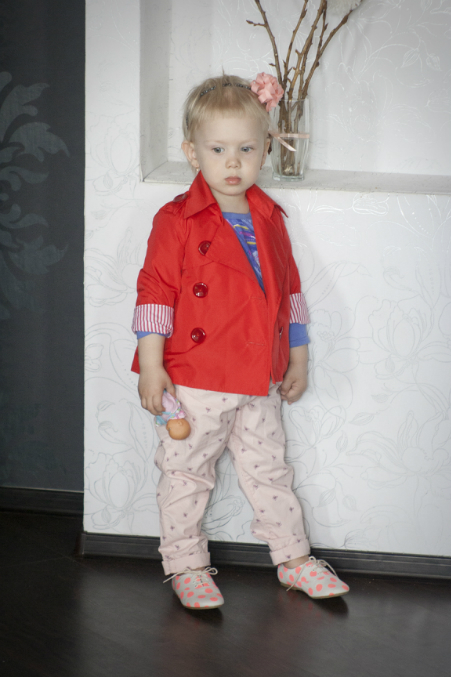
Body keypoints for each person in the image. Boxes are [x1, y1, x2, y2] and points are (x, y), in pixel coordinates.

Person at [131, 73, 349, 609]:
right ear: (192, 152)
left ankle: (293, 559)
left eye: (246, 149)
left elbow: (289, 293)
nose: (233, 162)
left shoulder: (269, 217)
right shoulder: (176, 219)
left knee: (271, 470)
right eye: (218, 149)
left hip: (259, 377)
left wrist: (297, 358)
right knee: (186, 474)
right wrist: (152, 365)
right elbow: (155, 293)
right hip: (197, 377)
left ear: (266, 149)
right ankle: (185, 566)